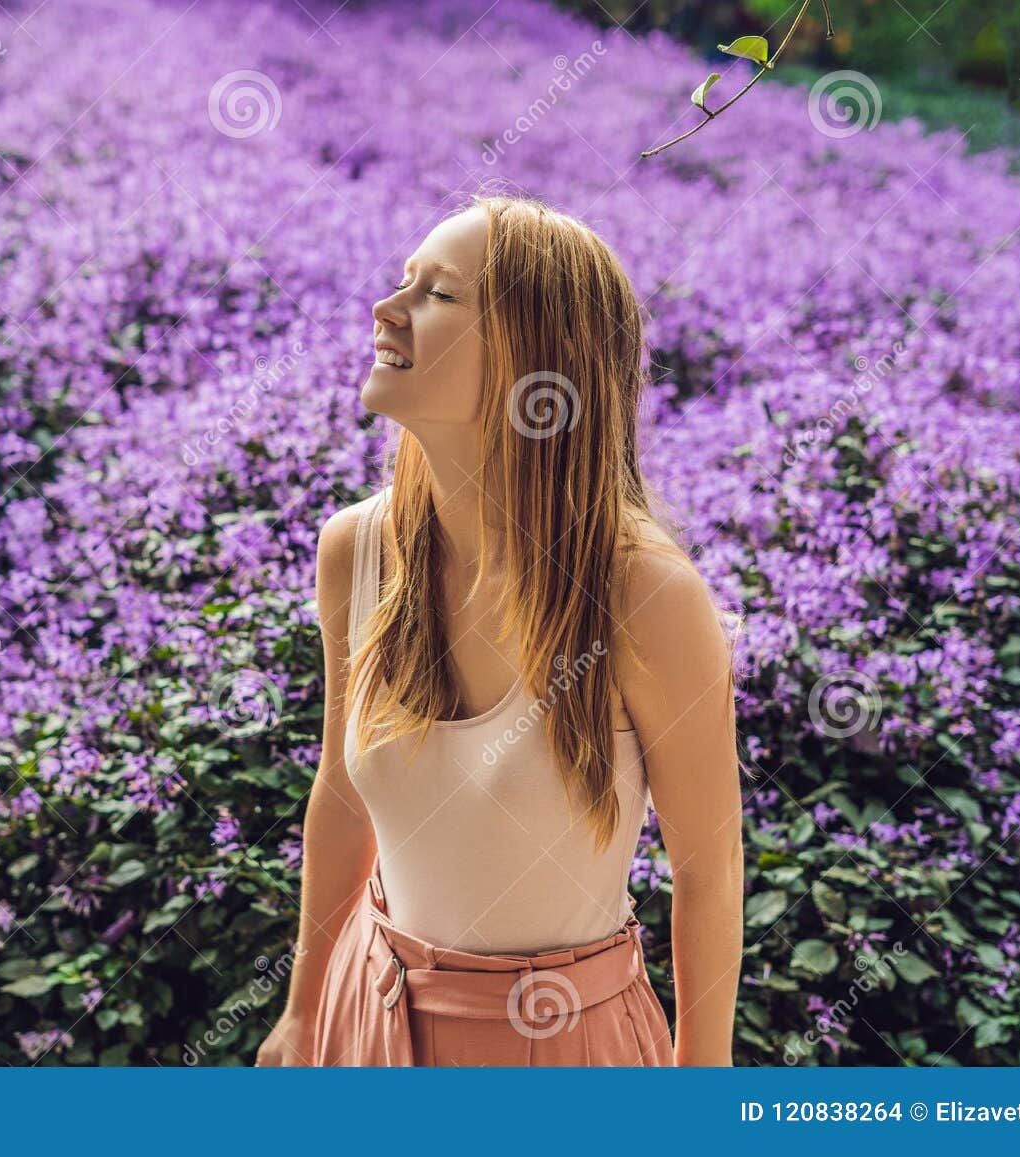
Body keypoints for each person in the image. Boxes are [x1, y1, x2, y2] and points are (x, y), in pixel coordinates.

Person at [255, 192, 743, 1067]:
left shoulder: (644, 593)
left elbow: (708, 872)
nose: (386, 309)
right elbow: (340, 792)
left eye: (437, 294)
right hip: (369, 1020)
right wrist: (302, 1010)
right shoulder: (357, 549)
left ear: (534, 356)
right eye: (404, 281)